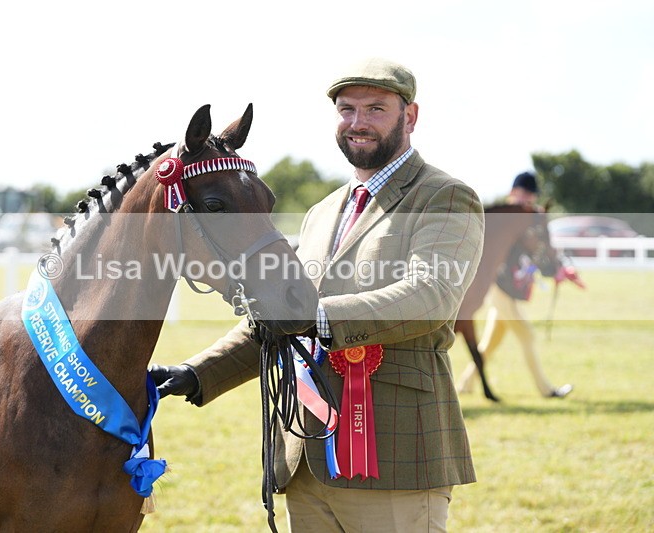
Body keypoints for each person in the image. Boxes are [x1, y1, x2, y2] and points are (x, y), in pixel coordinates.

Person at [150, 58, 485, 532]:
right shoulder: (321, 212)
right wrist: (195, 373)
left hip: (395, 457)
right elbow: (279, 315)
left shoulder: (444, 196)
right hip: (303, 460)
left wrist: (318, 316)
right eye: (347, 110)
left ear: (409, 117)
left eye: (375, 109)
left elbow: (431, 294)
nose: (358, 123)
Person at [457, 171, 574, 398]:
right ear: (513, 193)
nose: (527, 199)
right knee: (527, 336)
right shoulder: (504, 220)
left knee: (490, 343)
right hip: (500, 289)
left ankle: (464, 384)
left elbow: (538, 251)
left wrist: (558, 269)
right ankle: (547, 390)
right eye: (524, 194)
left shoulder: (525, 221)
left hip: (506, 288)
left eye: (531, 196)